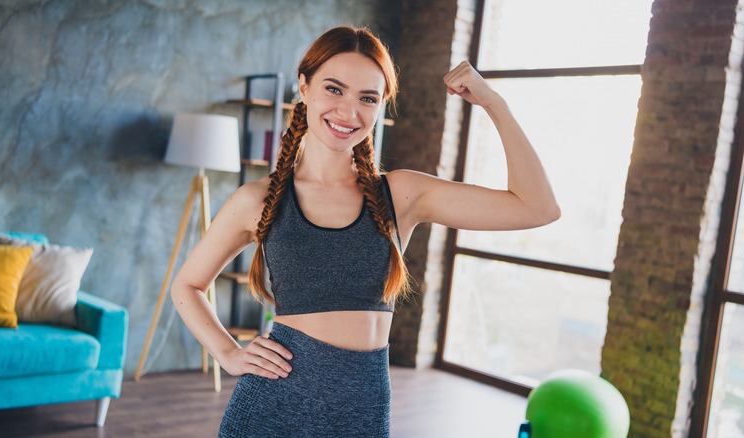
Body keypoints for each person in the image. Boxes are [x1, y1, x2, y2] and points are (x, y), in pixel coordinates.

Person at [170, 26, 560, 437]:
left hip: (364, 414)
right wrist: (230, 354)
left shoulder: (402, 194)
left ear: (380, 107)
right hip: (272, 410)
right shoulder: (258, 199)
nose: (348, 112)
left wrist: (493, 103)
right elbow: (188, 285)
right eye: (334, 89)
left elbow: (537, 207)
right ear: (304, 87)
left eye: (368, 98)